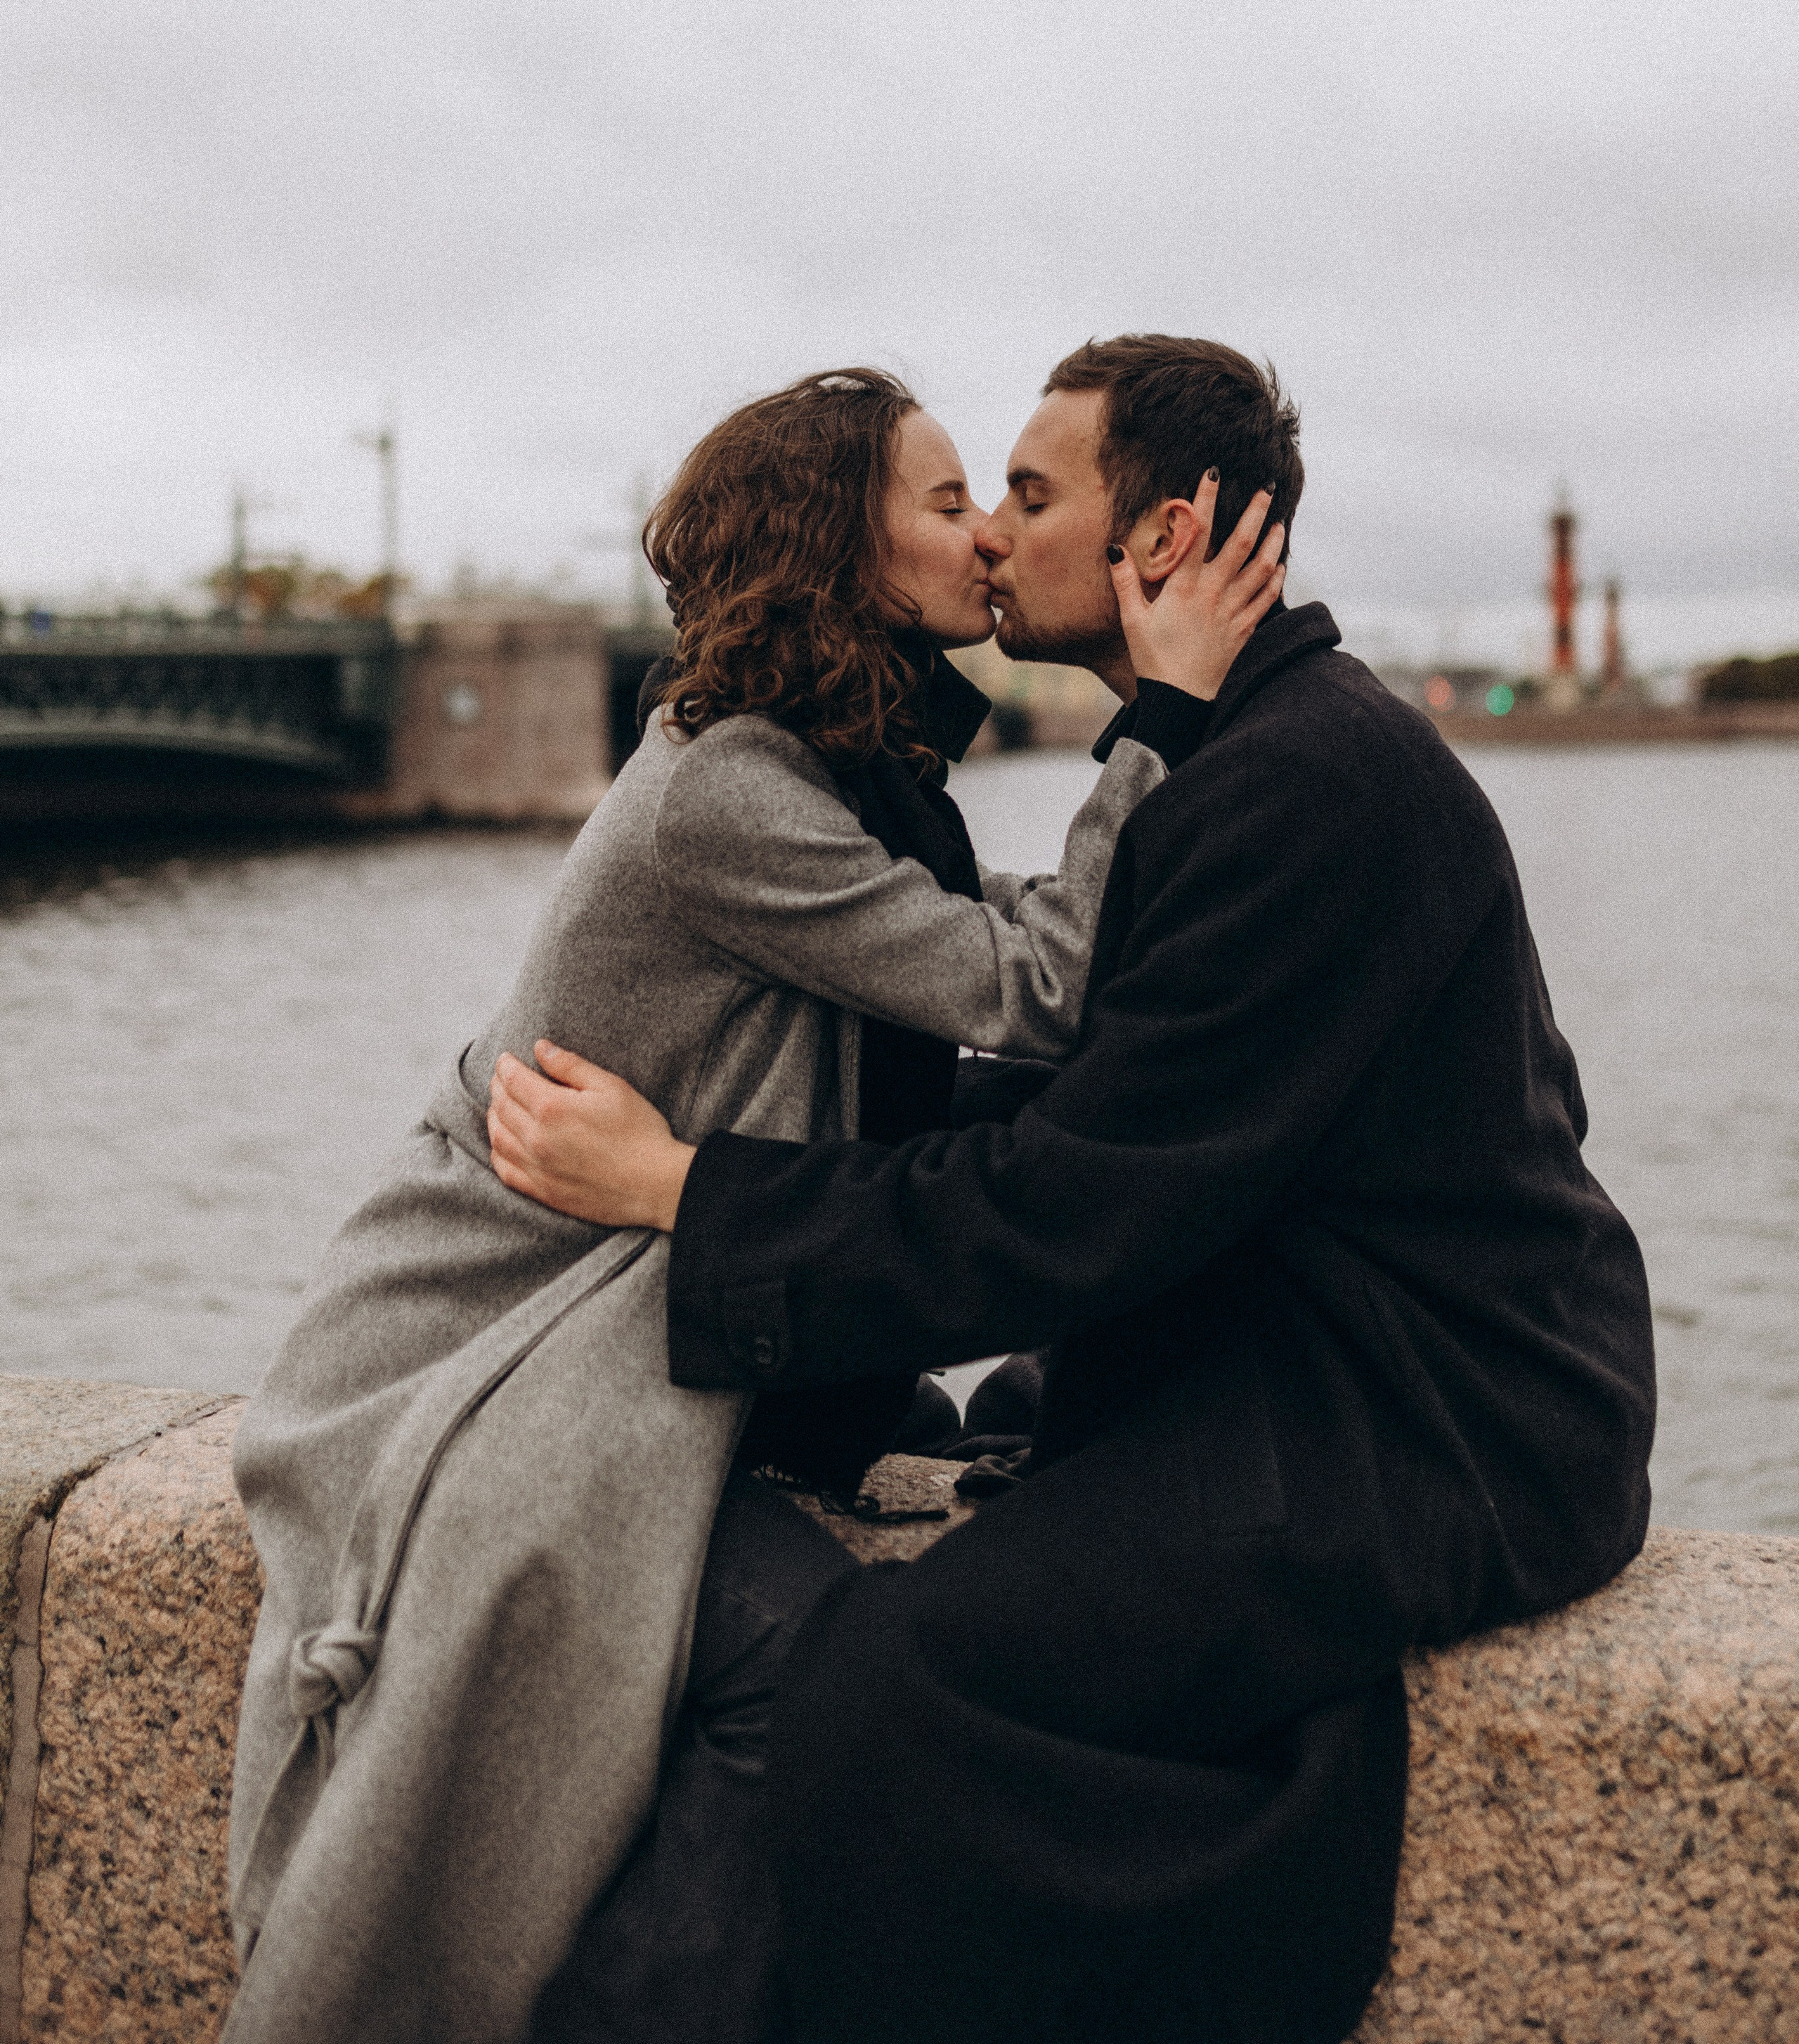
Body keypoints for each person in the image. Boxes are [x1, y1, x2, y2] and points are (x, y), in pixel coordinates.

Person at [488, 332, 1659, 2044]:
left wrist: (694, 1193)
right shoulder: (1254, 751)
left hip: (1437, 1421)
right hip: (1338, 1350)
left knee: (891, 1684)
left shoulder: (1298, 786)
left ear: (1162, 541)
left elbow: (1068, 1205)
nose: (992, 538)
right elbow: (1097, 1104)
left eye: (1030, 498)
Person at [223, 363, 1283, 2044]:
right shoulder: (724, 787)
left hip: (629, 1318)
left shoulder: (836, 772)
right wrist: (1167, 713)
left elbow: (976, 933)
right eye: (949, 505)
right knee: (801, 1674)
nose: (990, 541)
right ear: (845, 553)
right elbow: (1042, 978)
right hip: (491, 1348)